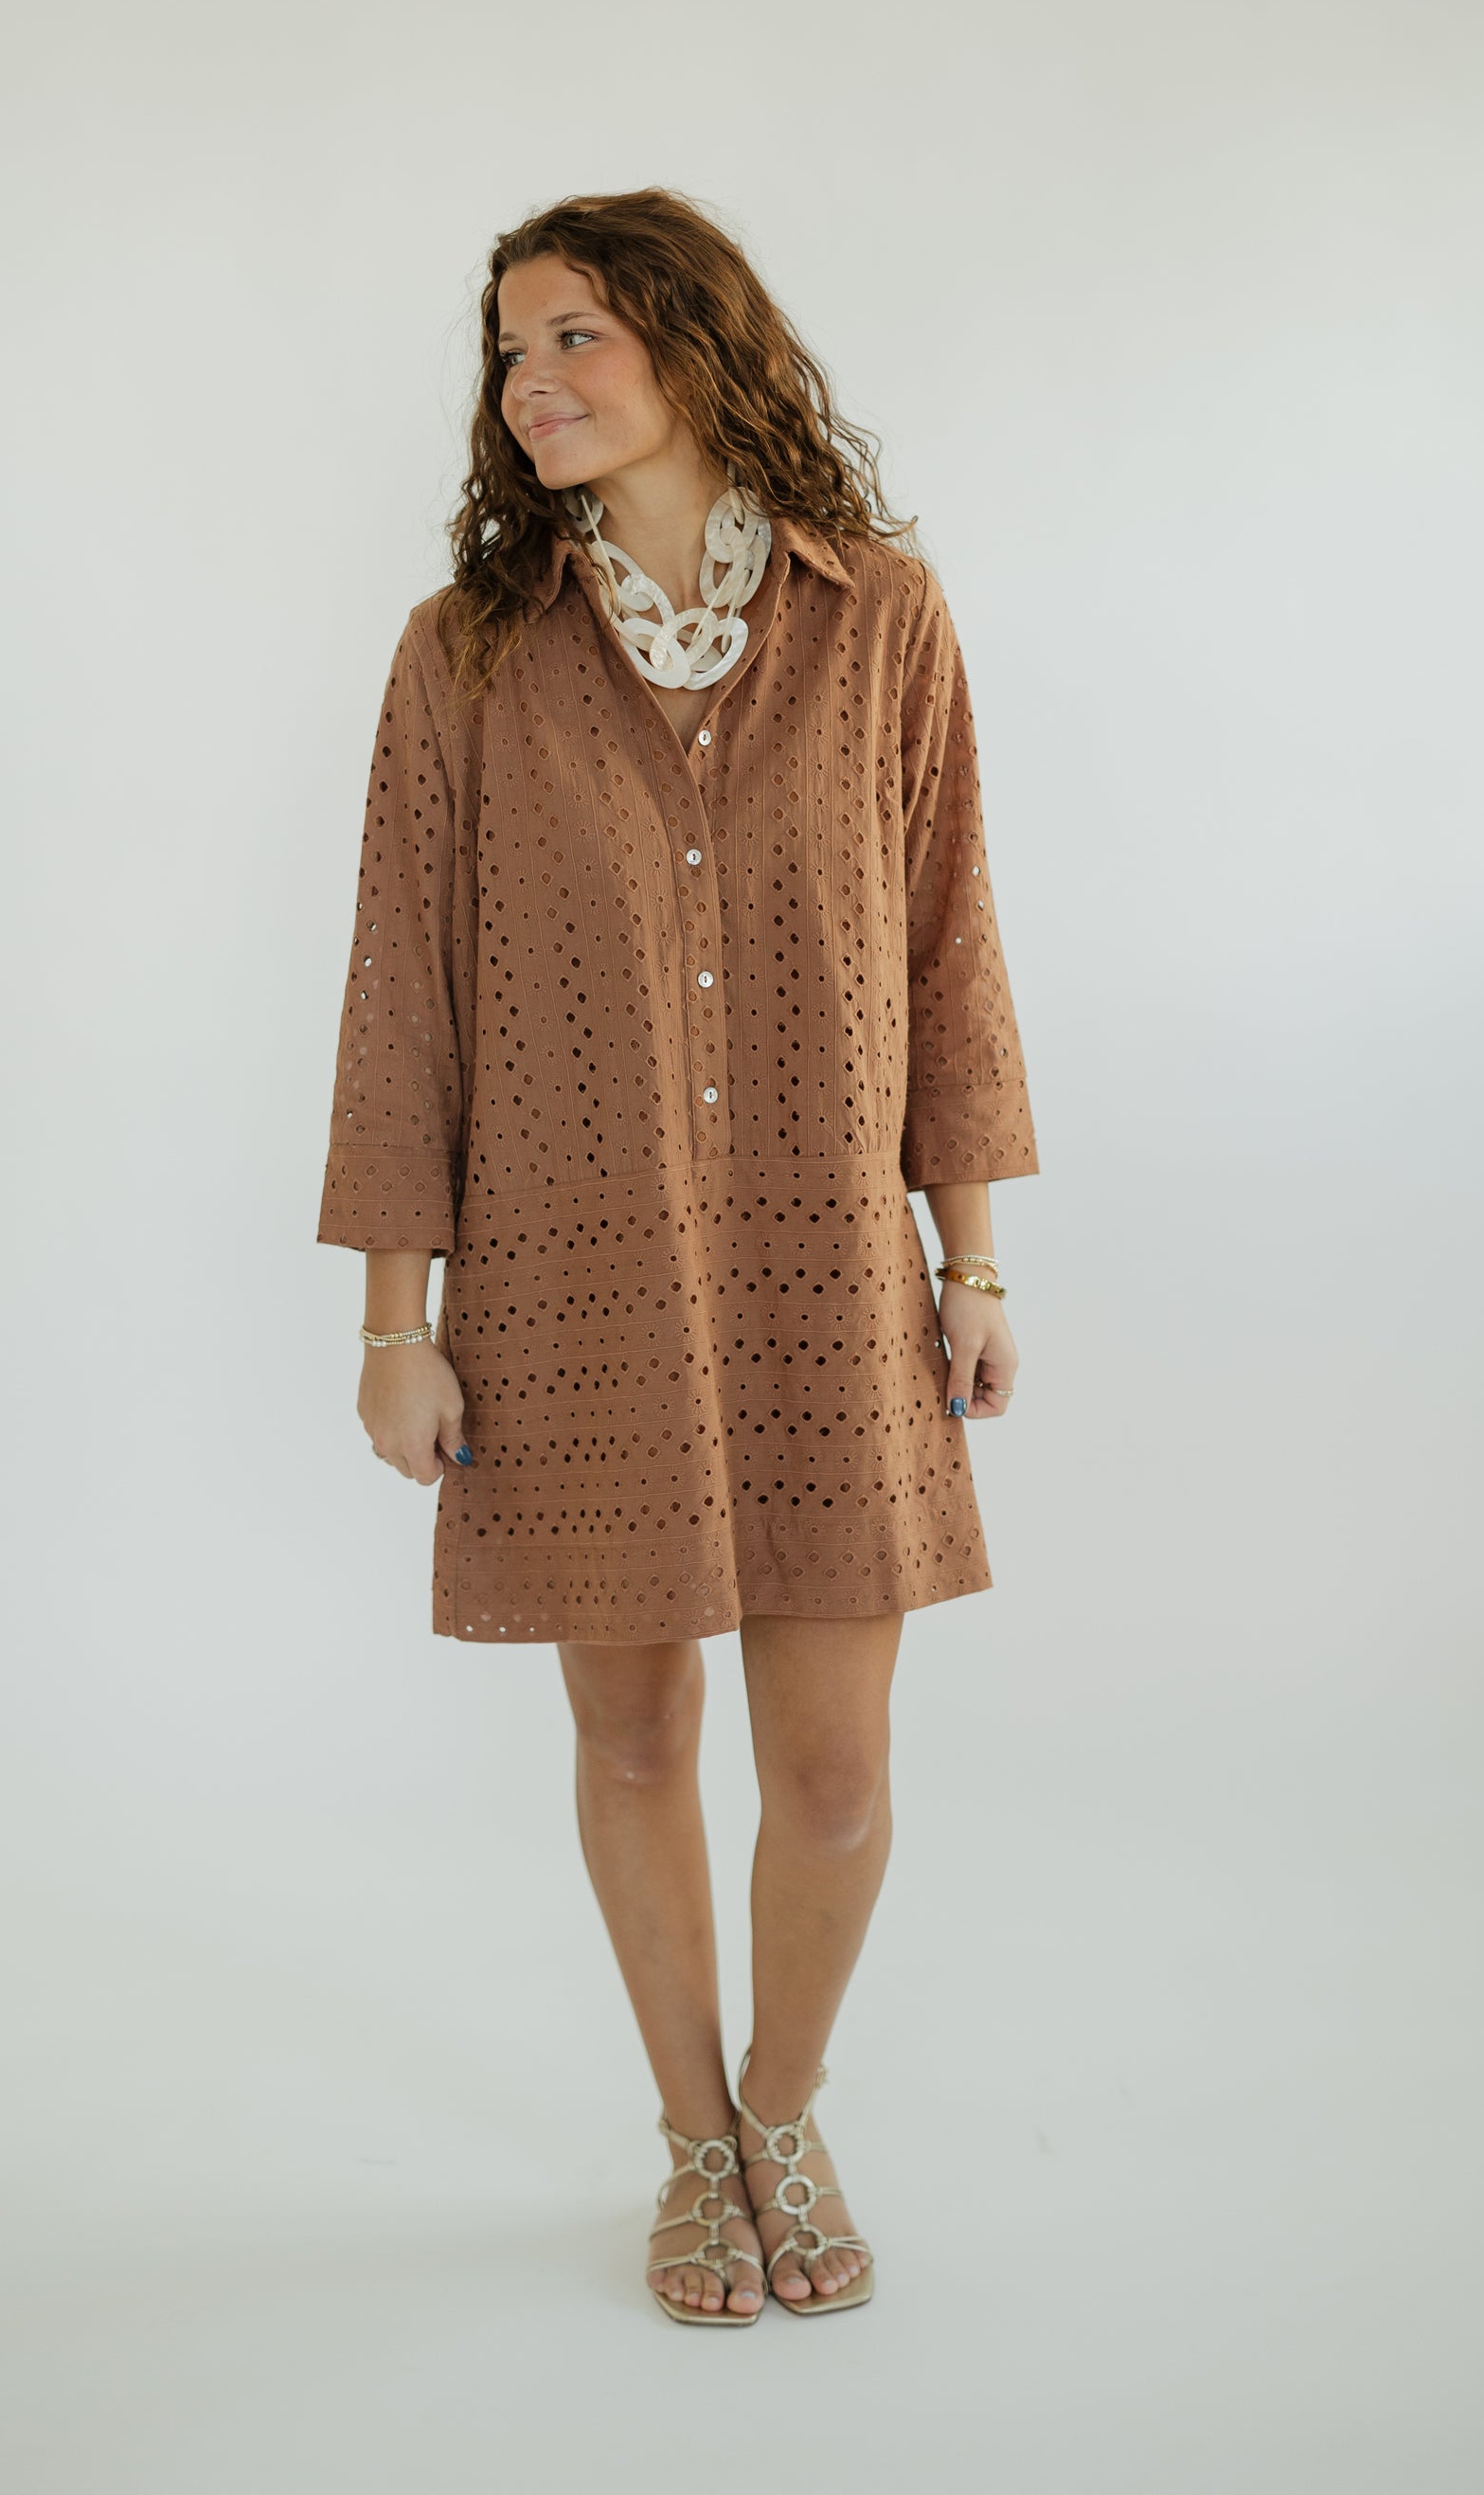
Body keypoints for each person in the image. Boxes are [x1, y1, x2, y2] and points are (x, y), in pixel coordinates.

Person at [317, 188, 1038, 2323]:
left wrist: (972, 1261)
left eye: (572, 335)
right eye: (506, 348)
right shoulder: (463, 655)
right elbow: (402, 996)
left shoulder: (879, 616)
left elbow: (950, 943)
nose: (526, 381)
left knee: (833, 1769)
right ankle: (689, 2140)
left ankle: (782, 2111)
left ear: (693, 342)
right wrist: (393, 1317)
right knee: (633, 1738)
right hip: (571, 1280)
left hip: (829, 1274)